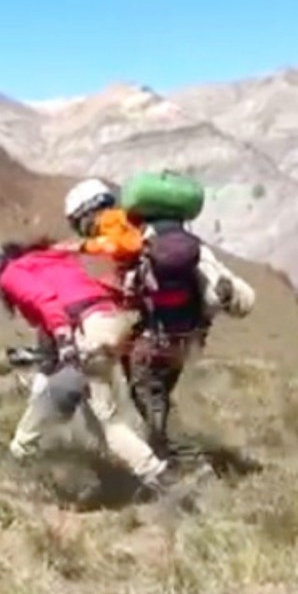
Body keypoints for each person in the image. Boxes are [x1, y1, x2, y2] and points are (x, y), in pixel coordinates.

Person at [61, 176, 255, 461]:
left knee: (147, 398)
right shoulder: (164, 233)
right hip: (187, 332)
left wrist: (79, 249)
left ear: (85, 214)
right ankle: (167, 454)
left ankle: (175, 467)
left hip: (156, 334)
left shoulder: (119, 228)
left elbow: (124, 262)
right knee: (156, 393)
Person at [0, 237, 195, 498]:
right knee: (111, 414)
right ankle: (150, 472)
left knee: (102, 419)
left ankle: (20, 455)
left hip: (89, 329)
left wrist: (64, 338)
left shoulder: (12, 273)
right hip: (112, 322)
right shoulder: (56, 263)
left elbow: (45, 301)